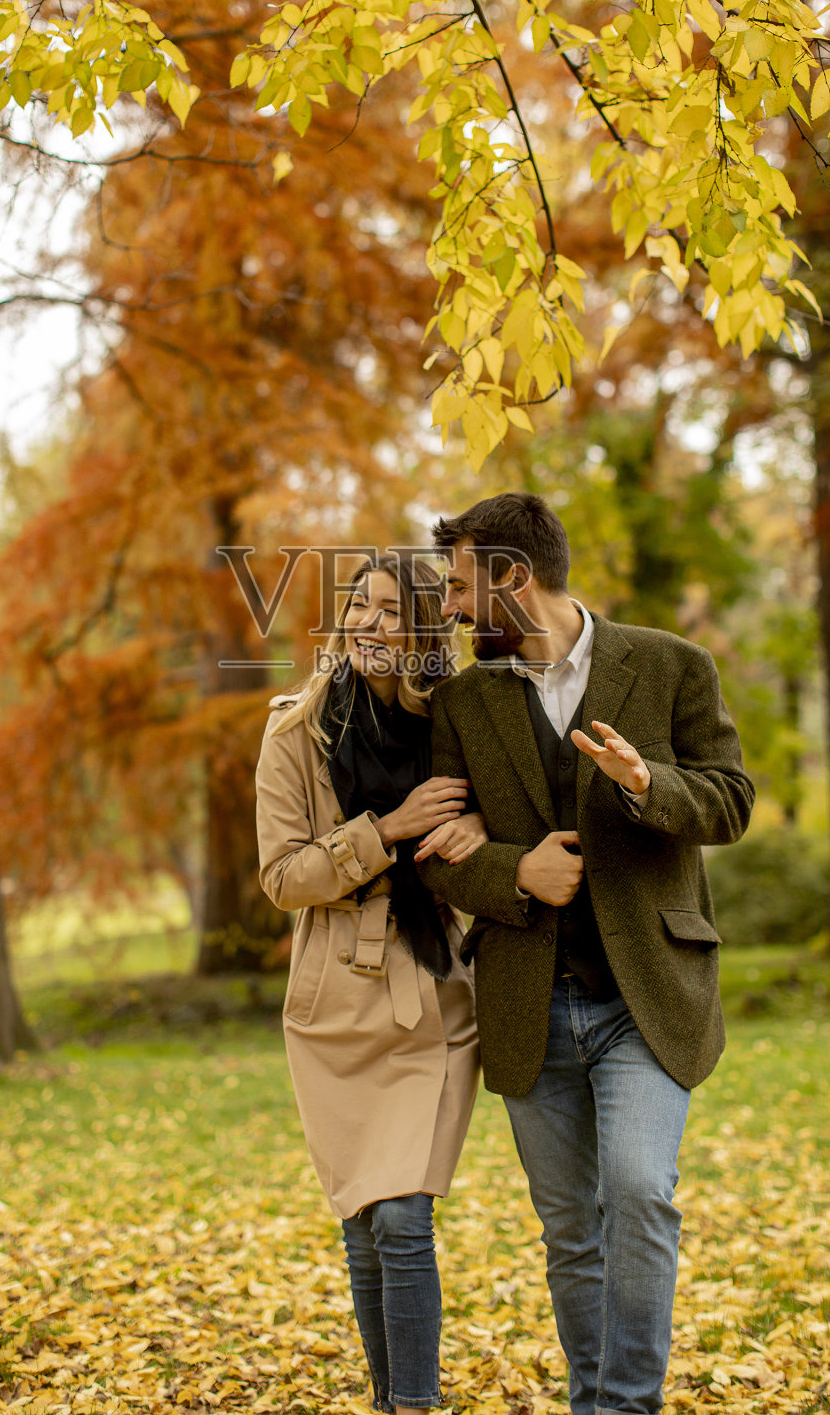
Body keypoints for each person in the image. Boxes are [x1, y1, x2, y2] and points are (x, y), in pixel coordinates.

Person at [418, 492, 754, 1415]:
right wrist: (513, 870)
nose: (449, 606)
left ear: (513, 579)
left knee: (640, 1196)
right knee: (569, 1229)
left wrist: (649, 784)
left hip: (646, 997)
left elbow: (729, 800)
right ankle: (592, 1401)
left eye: (459, 586)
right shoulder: (462, 700)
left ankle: (623, 1406)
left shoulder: (671, 666)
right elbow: (442, 859)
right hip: (529, 1001)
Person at [255, 552, 483, 1415]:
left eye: (391, 612)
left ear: (425, 634)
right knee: (361, 1221)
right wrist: (384, 831)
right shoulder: (294, 730)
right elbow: (281, 878)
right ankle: (391, 1403)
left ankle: (415, 1406)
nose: (369, 626)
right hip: (334, 998)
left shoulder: (456, 727)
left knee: (402, 1219)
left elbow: (493, 828)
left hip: (431, 988)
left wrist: (474, 832)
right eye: (359, 607)